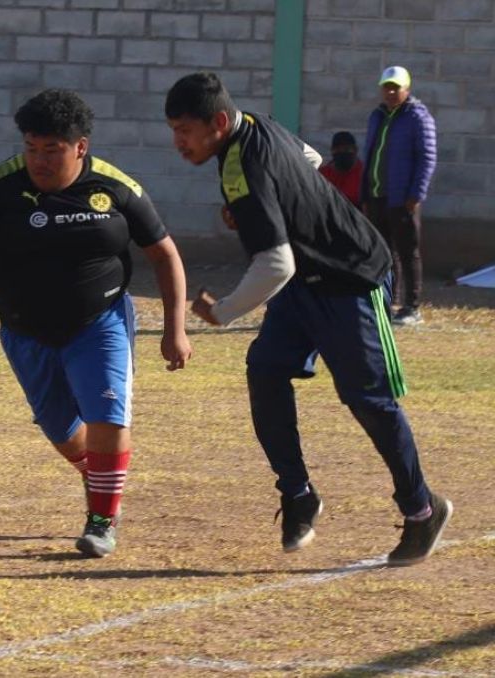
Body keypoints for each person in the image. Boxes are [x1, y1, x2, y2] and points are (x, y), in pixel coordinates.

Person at [165, 72, 451, 567]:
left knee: (367, 399)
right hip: (305, 286)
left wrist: (222, 311)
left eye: (184, 131)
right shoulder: (258, 124)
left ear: (216, 122)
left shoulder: (241, 167)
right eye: (173, 130)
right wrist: (268, 206)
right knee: (266, 370)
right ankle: (298, 495)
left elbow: (276, 263)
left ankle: (422, 508)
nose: (178, 143)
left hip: (351, 278)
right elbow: (310, 160)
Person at [0, 89, 192, 558]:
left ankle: (101, 519)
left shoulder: (117, 188)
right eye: (31, 148)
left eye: (51, 150)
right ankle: (101, 480)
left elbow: (165, 255)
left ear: (80, 147)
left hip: (100, 321)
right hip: (23, 328)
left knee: (107, 414)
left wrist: (176, 328)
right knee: (61, 429)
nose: (39, 160)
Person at [362, 66, 437, 327]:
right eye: (387, 87)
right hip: (376, 195)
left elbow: (427, 157)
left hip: (402, 198)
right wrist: (365, 192)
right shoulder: (378, 115)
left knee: (408, 251)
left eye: (396, 87)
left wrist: (416, 193)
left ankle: (411, 307)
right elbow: (370, 154)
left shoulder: (417, 116)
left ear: (407, 89)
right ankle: (386, 303)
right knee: (383, 253)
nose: (391, 92)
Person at [318, 131, 362, 207]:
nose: (342, 152)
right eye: (337, 149)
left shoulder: (363, 174)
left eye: (346, 149)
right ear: (332, 150)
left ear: (355, 150)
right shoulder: (322, 175)